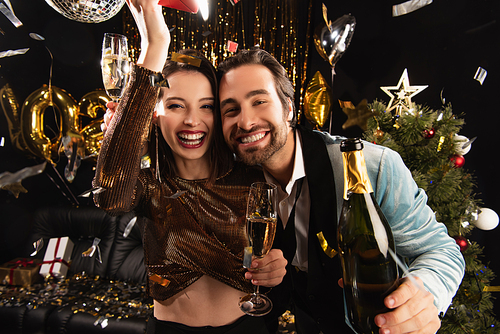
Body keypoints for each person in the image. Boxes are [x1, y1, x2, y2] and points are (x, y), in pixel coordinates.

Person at [217, 48, 465, 334]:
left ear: (288, 108)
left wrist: (426, 296)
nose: (245, 122)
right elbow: (246, 252)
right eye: (231, 110)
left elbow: (441, 250)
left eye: (259, 101)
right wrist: (256, 266)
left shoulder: (373, 167)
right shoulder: (237, 182)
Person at [93, 1, 286, 333]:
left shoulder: (254, 177)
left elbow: (286, 257)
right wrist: (156, 47)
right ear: (155, 114)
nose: (193, 121)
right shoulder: (148, 184)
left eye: (206, 106)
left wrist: (277, 268)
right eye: (176, 105)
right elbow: (108, 195)